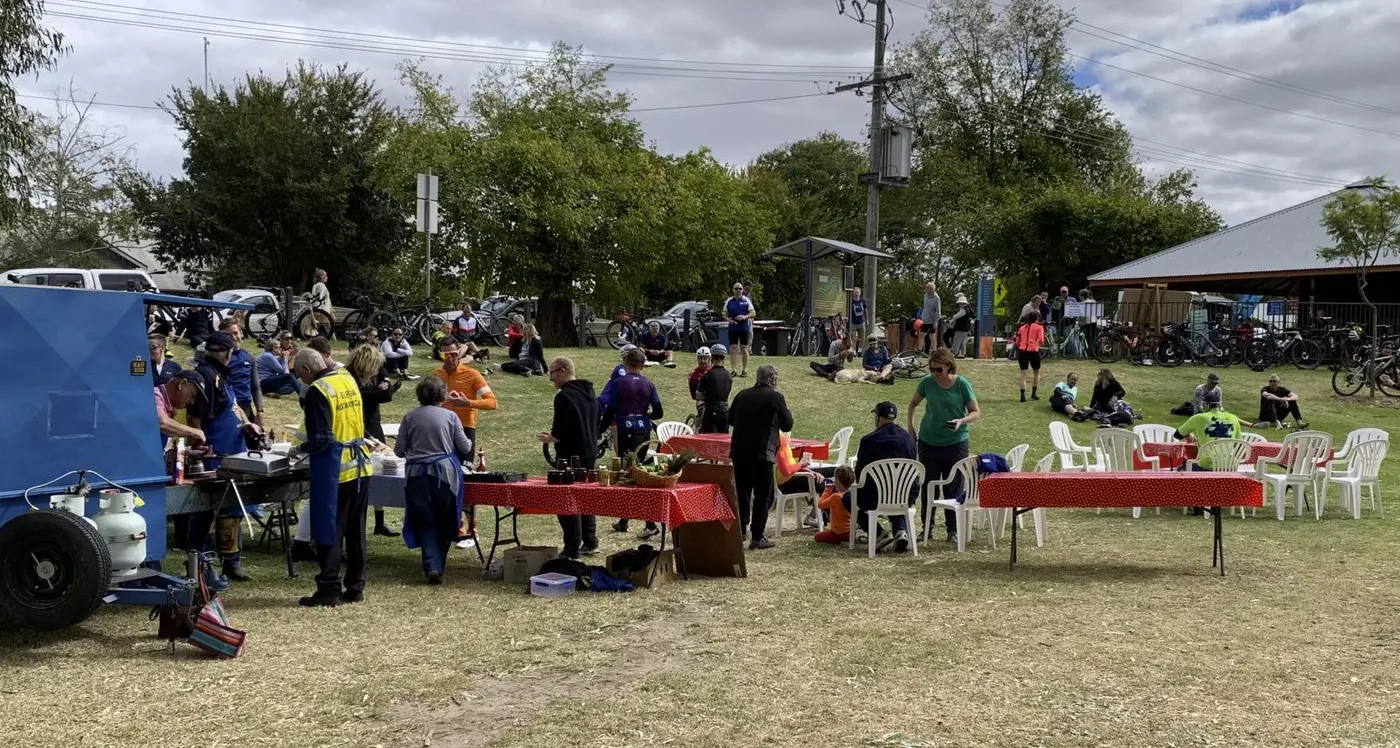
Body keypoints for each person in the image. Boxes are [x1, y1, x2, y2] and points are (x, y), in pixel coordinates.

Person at [292, 347, 374, 607]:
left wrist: (297, 450)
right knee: (355, 530)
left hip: (335, 470)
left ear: (307, 369)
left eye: (299, 374)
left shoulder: (318, 390)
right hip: (360, 466)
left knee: (330, 529)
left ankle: (328, 588)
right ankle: (356, 585)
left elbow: (322, 439)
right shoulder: (346, 379)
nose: (301, 380)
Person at [187, 331, 255, 582]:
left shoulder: (220, 376)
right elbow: (195, 419)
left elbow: (234, 407)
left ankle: (231, 561)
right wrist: (199, 450)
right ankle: (200, 563)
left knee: (232, 511)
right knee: (204, 511)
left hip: (233, 452)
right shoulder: (207, 376)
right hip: (214, 455)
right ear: (227, 353)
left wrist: (248, 424)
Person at [395, 376, 474, 584]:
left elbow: (399, 451)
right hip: (445, 475)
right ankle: (439, 564)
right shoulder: (451, 416)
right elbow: (465, 447)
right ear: (441, 394)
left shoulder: (409, 417)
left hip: (416, 475)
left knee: (425, 520)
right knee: (446, 518)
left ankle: (432, 564)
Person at [908, 349, 980, 544]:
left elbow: (975, 412)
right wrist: (911, 427)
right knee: (928, 485)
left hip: (955, 443)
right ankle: (927, 528)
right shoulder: (927, 382)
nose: (935, 373)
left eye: (938, 369)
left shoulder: (962, 384)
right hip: (929, 440)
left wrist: (961, 421)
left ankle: (952, 530)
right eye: (932, 369)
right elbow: (913, 403)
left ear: (949, 366)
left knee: (953, 487)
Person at [433, 339, 498, 547]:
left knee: (465, 478)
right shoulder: (436, 376)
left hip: (465, 430)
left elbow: (492, 402)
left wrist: (467, 403)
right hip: (442, 431)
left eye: (454, 354)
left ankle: (472, 528)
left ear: (459, 354)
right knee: (444, 479)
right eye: (446, 355)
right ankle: (455, 527)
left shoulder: (472, 375)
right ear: (440, 355)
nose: (450, 358)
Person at [538, 356, 602, 560]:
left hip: (569, 456)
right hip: (590, 452)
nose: (552, 380)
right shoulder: (590, 394)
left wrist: (549, 438)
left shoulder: (564, 397)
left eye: (553, 374)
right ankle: (590, 540)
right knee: (585, 498)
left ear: (563, 371)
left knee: (566, 499)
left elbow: (560, 430)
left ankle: (572, 547)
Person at [729, 364, 793, 550]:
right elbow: (787, 424)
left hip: (740, 452)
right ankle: (757, 536)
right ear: (772, 379)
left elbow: (730, 419)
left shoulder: (741, 395)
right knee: (763, 495)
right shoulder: (775, 397)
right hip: (763, 453)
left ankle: (740, 531)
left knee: (742, 493)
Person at [603, 348, 664, 538]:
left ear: (626, 363)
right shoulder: (649, 384)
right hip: (643, 432)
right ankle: (624, 520)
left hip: (625, 431)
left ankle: (650, 523)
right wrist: (646, 416)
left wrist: (597, 431)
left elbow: (611, 410)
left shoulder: (619, 383)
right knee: (634, 474)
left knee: (631, 477)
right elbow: (659, 411)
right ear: (642, 365)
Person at [848, 401, 919, 550]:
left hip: (878, 497)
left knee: (848, 498)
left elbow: (860, 474)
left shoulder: (869, 440)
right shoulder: (909, 439)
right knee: (894, 494)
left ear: (878, 417)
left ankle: (879, 533)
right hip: (905, 495)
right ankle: (900, 530)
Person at [347, 344, 402, 538]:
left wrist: (367, 395)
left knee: (381, 466)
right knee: (359, 473)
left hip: (373, 421)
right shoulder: (348, 376)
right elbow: (359, 397)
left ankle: (380, 521)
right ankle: (358, 519)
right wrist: (372, 394)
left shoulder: (379, 369)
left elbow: (387, 395)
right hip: (356, 425)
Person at [1173, 387, 1242, 472]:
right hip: (1228, 466)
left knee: (1180, 470)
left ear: (1206, 405)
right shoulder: (1234, 418)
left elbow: (1177, 435)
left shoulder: (1199, 418)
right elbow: (1239, 444)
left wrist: (1188, 434)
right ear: (1220, 405)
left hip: (1206, 465)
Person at [220, 319, 263, 425]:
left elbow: (256, 386)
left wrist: (260, 410)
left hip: (246, 407)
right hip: (226, 407)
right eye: (228, 335)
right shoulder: (220, 359)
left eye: (235, 333)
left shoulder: (249, 357)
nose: (233, 337)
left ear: (241, 333)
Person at [155, 370, 206, 446]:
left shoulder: (167, 407)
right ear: (181, 384)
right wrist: (195, 432)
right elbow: (162, 423)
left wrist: (188, 451)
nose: (192, 402)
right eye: (192, 395)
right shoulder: (155, 395)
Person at [814, 466, 856, 545]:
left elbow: (820, 505)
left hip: (838, 532)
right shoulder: (851, 494)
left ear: (838, 481)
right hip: (850, 531)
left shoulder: (836, 496)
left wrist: (827, 490)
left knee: (817, 536)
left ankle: (836, 538)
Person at [724, 281, 756, 378]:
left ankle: (744, 370)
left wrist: (744, 317)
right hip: (733, 327)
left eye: (740, 289)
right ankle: (733, 370)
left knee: (744, 348)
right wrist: (727, 319)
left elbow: (753, 313)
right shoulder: (729, 301)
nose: (738, 290)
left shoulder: (746, 300)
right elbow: (724, 313)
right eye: (736, 288)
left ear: (742, 290)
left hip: (743, 328)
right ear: (733, 290)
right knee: (733, 348)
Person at [1015, 311, 1046, 402]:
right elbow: (1041, 341)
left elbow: (1017, 342)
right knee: (1036, 372)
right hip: (1033, 351)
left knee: (1023, 374)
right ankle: (1033, 393)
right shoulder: (1039, 327)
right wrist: (1035, 342)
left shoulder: (1022, 328)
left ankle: (1022, 395)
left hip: (1022, 351)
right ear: (1036, 319)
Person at [921, 282, 941, 353]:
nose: (926, 289)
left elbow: (938, 311)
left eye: (927, 288)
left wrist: (936, 321)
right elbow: (925, 307)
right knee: (922, 334)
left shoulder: (936, 298)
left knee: (932, 336)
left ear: (932, 289)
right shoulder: (925, 296)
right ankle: (919, 350)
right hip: (925, 319)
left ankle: (934, 351)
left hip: (932, 320)